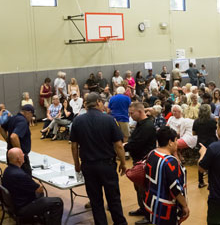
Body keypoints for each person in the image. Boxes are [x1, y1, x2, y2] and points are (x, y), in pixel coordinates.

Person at [70, 93, 127, 225]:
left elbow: (74, 146)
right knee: (113, 198)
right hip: (107, 165)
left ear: (85, 104)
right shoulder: (109, 120)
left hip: (88, 166)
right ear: (98, 102)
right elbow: (118, 145)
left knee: (95, 200)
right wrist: (123, 163)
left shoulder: (78, 121)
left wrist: (76, 164)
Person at [1, 148, 63, 225]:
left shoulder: (7, 171)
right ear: (18, 159)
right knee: (57, 202)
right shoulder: (20, 175)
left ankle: (42, 219)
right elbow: (39, 189)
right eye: (22, 154)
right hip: (23, 207)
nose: (24, 155)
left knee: (41, 197)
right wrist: (37, 183)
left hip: (14, 204)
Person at [144, 127, 190, 225]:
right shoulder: (170, 162)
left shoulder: (152, 153)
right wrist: (184, 205)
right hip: (164, 209)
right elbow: (175, 189)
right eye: (176, 140)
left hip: (151, 202)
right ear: (170, 142)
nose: (177, 143)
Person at [123, 102, 156, 224]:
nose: (130, 116)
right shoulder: (140, 124)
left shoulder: (147, 126)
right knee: (138, 187)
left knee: (144, 188)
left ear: (140, 112)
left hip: (145, 161)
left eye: (132, 113)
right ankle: (143, 209)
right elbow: (133, 140)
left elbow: (136, 144)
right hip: (138, 160)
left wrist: (122, 148)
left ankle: (148, 215)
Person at [0, 104, 35, 175]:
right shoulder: (23, 121)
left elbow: (1, 128)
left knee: (14, 177)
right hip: (18, 158)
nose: (31, 118)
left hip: (11, 154)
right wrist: (20, 153)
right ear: (28, 112)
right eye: (31, 115)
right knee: (26, 178)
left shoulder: (13, 118)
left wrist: (7, 140)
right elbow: (14, 136)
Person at [193, 104, 217, 188]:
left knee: (201, 162)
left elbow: (193, 133)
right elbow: (215, 131)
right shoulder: (212, 120)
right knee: (212, 164)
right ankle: (210, 183)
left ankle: (201, 182)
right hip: (211, 143)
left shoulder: (196, 121)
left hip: (200, 143)